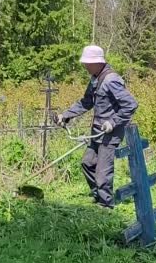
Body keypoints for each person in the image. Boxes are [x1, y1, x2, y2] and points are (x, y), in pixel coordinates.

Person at [54, 45, 138, 209]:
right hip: (97, 132)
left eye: (87, 63)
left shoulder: (111, 80)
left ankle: (106, 206)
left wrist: (113, 122)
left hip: (110, 134)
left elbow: (131, 104)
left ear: (97, 62)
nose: (85, 66)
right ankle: (99, 197)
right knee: (87, 163)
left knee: (102, 173)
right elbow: (86, 102)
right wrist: (66, 115)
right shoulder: (95, 79)